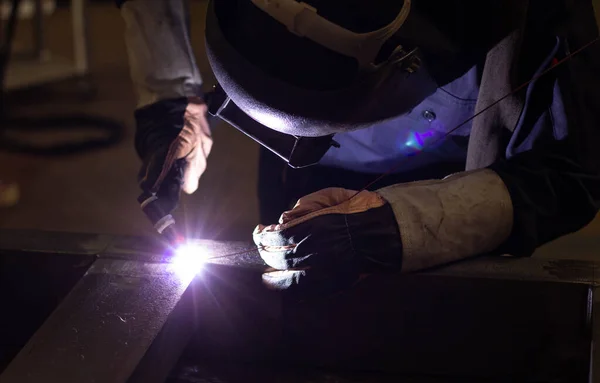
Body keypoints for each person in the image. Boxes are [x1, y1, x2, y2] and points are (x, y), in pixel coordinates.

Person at [118, 0, 600, 293]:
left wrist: (402, 228)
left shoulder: (526, 21)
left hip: (449, 175)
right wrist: (169, 103)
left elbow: (571, 176)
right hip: (305, 181)